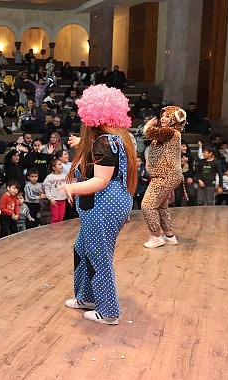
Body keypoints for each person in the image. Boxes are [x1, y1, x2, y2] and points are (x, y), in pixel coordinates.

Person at [61, 84, 137, 325]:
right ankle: (87, 296)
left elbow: (101, 180)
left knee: (99, 256)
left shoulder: (104, 142)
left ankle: (108, 311)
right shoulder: (120, 139)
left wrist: (70, 187)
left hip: (103, 207)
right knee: (81, 249)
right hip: (114, 204)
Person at [141, 106, 186, 248]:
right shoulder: (168, 133)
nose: (163, 118)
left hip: (165, 176)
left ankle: (156, 237)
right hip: (164, 176)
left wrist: (149, 124)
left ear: (174, 119)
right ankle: (170, 236)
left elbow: (148, 132)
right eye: (163, 116)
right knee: (161, 207)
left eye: (168, 116)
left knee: (147, 205)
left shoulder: (171, 132)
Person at [43, 158, 68, 224]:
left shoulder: (65, 176)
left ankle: (59, 232)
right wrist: (50, 198)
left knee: (61, 218)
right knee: (55, 218)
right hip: (55, 201)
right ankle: (54, 232)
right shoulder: (50, 177)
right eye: (59, 164)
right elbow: (47, 189)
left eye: (61, 164)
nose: (61, 166)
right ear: (53, 168)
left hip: (63, 200)